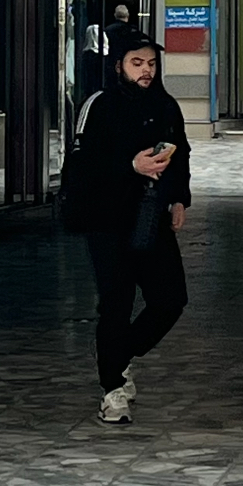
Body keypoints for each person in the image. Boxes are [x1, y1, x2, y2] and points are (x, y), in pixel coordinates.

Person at [74, 32, 191, 425]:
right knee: (116, 303)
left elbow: (181, 154)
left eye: (151, 64)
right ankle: (112, 391)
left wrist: (179, 198)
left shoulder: (165, 105)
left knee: (170, 299)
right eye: (136, 63)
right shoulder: (100, 105)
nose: (145, 71)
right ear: (118, 66)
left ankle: (118, 356)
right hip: (106, 220)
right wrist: (129, 166)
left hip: (151, 216)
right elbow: (79, 167)